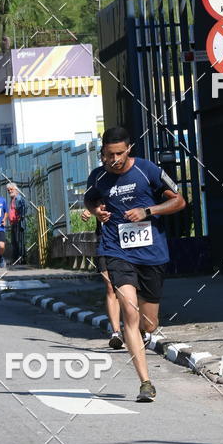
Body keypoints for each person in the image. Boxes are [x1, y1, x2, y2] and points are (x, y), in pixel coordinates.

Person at [84, 126, 186, 402]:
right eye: (108, 154)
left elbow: (179, 201)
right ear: (102, 153)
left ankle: (139, 335)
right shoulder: (99, 176)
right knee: (129, 311)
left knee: (149, 324)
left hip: (151, 253)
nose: (114, 159)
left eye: (119, 153)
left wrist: (148, 210)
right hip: (117, 251)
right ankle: (146, 382)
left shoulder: (147, 170)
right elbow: (89, 197)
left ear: (129, 149)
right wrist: (96, 211)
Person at [81, 206, 123, 350]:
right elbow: (92, 202)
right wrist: (90, 210)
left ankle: (139, 328)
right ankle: (116, 333)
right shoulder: (99, 185)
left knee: (131, 287)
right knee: (111, 287)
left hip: (126, 239)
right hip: (104, 241)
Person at [7, 183, 26, 266]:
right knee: (14, 242)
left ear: (16, 190)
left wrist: (20, 217)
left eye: (11, 189)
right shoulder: (13, 199)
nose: (10, 191)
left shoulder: (18, 198)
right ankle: (15, 259)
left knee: (19, 241)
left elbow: (24, 208)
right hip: (13, 223)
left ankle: (20, 259)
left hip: (18, 223)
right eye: (8, 190)